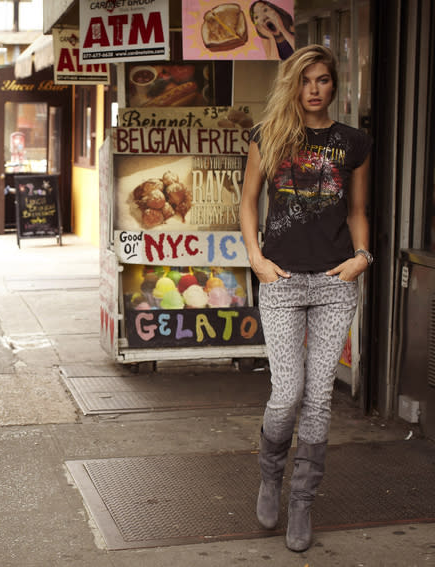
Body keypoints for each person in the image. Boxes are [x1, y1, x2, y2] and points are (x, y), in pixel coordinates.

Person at [239, 45, 372, 552]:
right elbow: (248, 199)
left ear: (334, 85)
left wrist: (362, 254)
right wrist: (255, 257)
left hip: (335, 281)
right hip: (282, 279)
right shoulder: (268, 136)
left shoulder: (353, 142)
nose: (314, 88)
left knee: (319, 399)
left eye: (322, 80)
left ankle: (302, 502)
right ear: (293, 85)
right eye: (305, 80)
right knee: (286, 393)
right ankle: (270, 474)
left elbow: (358, 208)